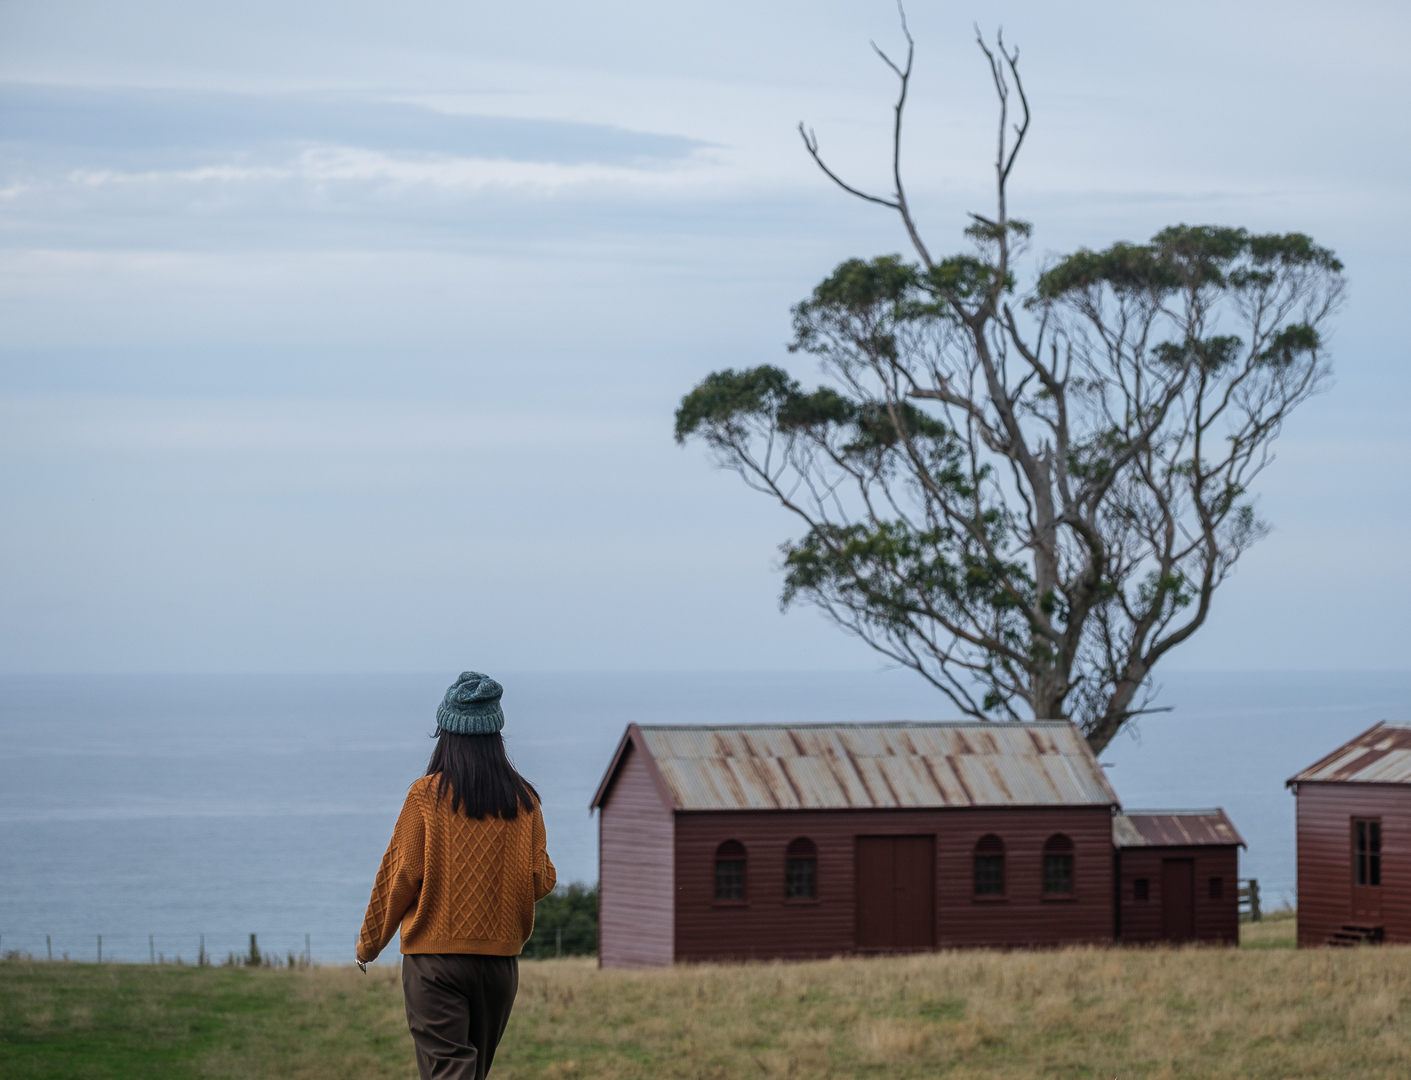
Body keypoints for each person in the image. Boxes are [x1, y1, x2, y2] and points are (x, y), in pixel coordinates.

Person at [356, 671, 556, 1080]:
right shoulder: (525, 800)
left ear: (446, 733)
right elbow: (540, 879)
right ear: (496, 735)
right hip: (499, 967)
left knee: (448, 1073)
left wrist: (369, 944)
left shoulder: (425, 795)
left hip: (435, 963)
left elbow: (400, 877)